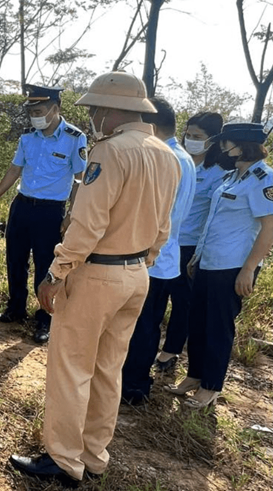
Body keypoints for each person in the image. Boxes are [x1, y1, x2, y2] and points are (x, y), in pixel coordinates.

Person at [9, 71, 179, 486]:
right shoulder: (166, 155)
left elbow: (87, 225)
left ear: (113, 110)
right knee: (108, 369)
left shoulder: (109, 152)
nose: (94, 117)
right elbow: (164, 225)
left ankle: (64, 460)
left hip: (97, 275)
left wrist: (55, 272)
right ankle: (94, 456)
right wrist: (144, 262)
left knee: (70, 366)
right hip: (138, 274)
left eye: (97, 109)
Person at [166, 122, 273, 408]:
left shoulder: (263, 178)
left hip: (232, 266)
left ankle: (211, 386)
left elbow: (268, 228)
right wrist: (198, 257)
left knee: (217, 327)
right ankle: (195, 376)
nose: (223, 147)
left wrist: (249, 269)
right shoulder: (231, 177)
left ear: (242, 145)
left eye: (227, 142)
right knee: (197, 322)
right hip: (208, 262)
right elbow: (213, 222)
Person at [0, 84, 87, 344]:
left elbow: (79, 180)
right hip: (22, 206)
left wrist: (71, 216)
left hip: (51, 211)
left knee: (45, 265)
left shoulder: (75, 138)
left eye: (39, 110)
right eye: (31, 111)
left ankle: (45, 319)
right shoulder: (28, 138)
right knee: (15, 260)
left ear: (55, 109)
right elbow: (13, 170)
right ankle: (15, 309)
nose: (34, 116)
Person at [120, 97, 196, 405]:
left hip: (151, 256)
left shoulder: (167, 158)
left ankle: (133, 384)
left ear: (149, 123)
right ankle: (135, 381)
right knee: (147, 323)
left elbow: (157, 215)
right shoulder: (182, 157)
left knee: (142, 325)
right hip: (163, 257)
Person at [155, 112, 225, 372]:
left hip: (190, 245)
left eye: (198, 137)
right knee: (156, 297)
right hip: (163, 240)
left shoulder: (218, 174)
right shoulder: (175, 160)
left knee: (182, 301)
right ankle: (149, 344)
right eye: (189, 135)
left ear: (213, 140)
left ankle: (170, 350)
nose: (191, 140)